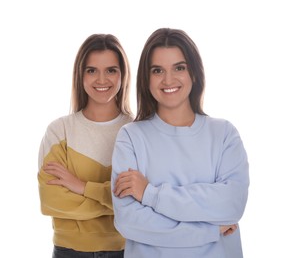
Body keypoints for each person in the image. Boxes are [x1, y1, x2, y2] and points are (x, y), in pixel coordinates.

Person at [111, 28, 249, 258]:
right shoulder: (131, 137)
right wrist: (210, 230)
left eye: (179, 68)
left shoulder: (224, 134)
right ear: (146, 79)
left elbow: (231, 205)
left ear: (194, 73)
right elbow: (130, 222)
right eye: (157, 70)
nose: (168, 79)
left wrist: (150, 194)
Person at [38, 33, 133, 258]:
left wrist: (81, 187)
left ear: (123, 75)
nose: (102, 80)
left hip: (125, 251)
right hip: (69, 252)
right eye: (92, 70)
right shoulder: (59, 131)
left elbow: (142, 200)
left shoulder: (137, 131)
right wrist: (115, 202)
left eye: (111, 70)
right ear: (80, 75)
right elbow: (52, 200)